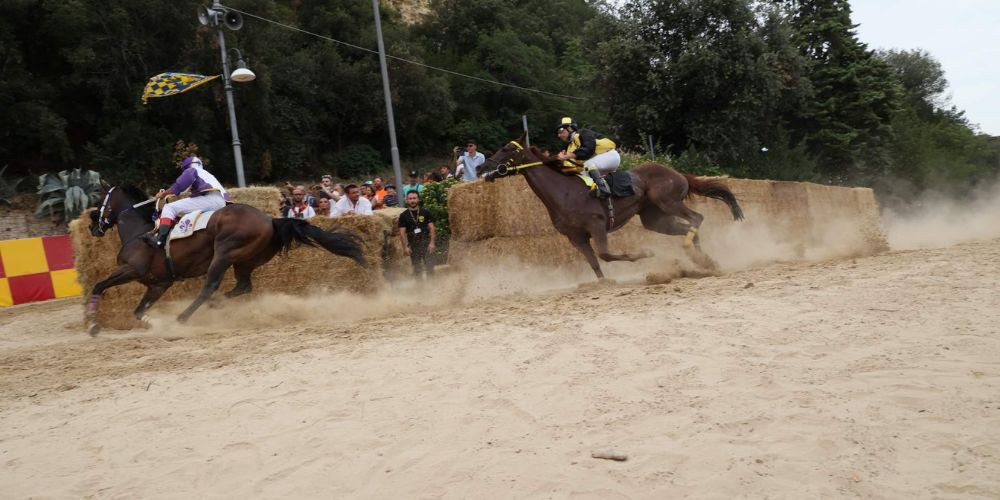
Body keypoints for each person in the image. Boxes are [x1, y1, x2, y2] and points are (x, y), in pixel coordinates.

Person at [144, 155, 230, 247]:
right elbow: (185, 190)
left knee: (169, 208)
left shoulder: (191, 170)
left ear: (187, 166)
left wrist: (163, 194)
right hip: (222, 202)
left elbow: (179, 186)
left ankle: (159, 240)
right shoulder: (206, 174)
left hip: (210, 200)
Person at [556, 117, 619, 199]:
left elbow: (588, 149)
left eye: (560, 131)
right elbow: (571, 167)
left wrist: (566, 156)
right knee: (582, 176)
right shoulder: (571, 147)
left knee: (587, 165)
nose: (559, 135)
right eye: (557, 133)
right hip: (600, 165)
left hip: (610, 156)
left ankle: (602, 190)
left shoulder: (583, 133)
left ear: (570, 128)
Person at [397, 190, 436, 279]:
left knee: (430, 266)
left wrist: (432, 243)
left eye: (414, 198)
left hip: (426, 242)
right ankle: (420, 288)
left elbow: (432, 228)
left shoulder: (425, 212)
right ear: (407, 200)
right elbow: (402, 232)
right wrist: (405, 247)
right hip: (413, 244)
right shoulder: (403, 215)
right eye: (410, 198)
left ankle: (433, 285)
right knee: (417, 267)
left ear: (418, 199)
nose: (412, 200)